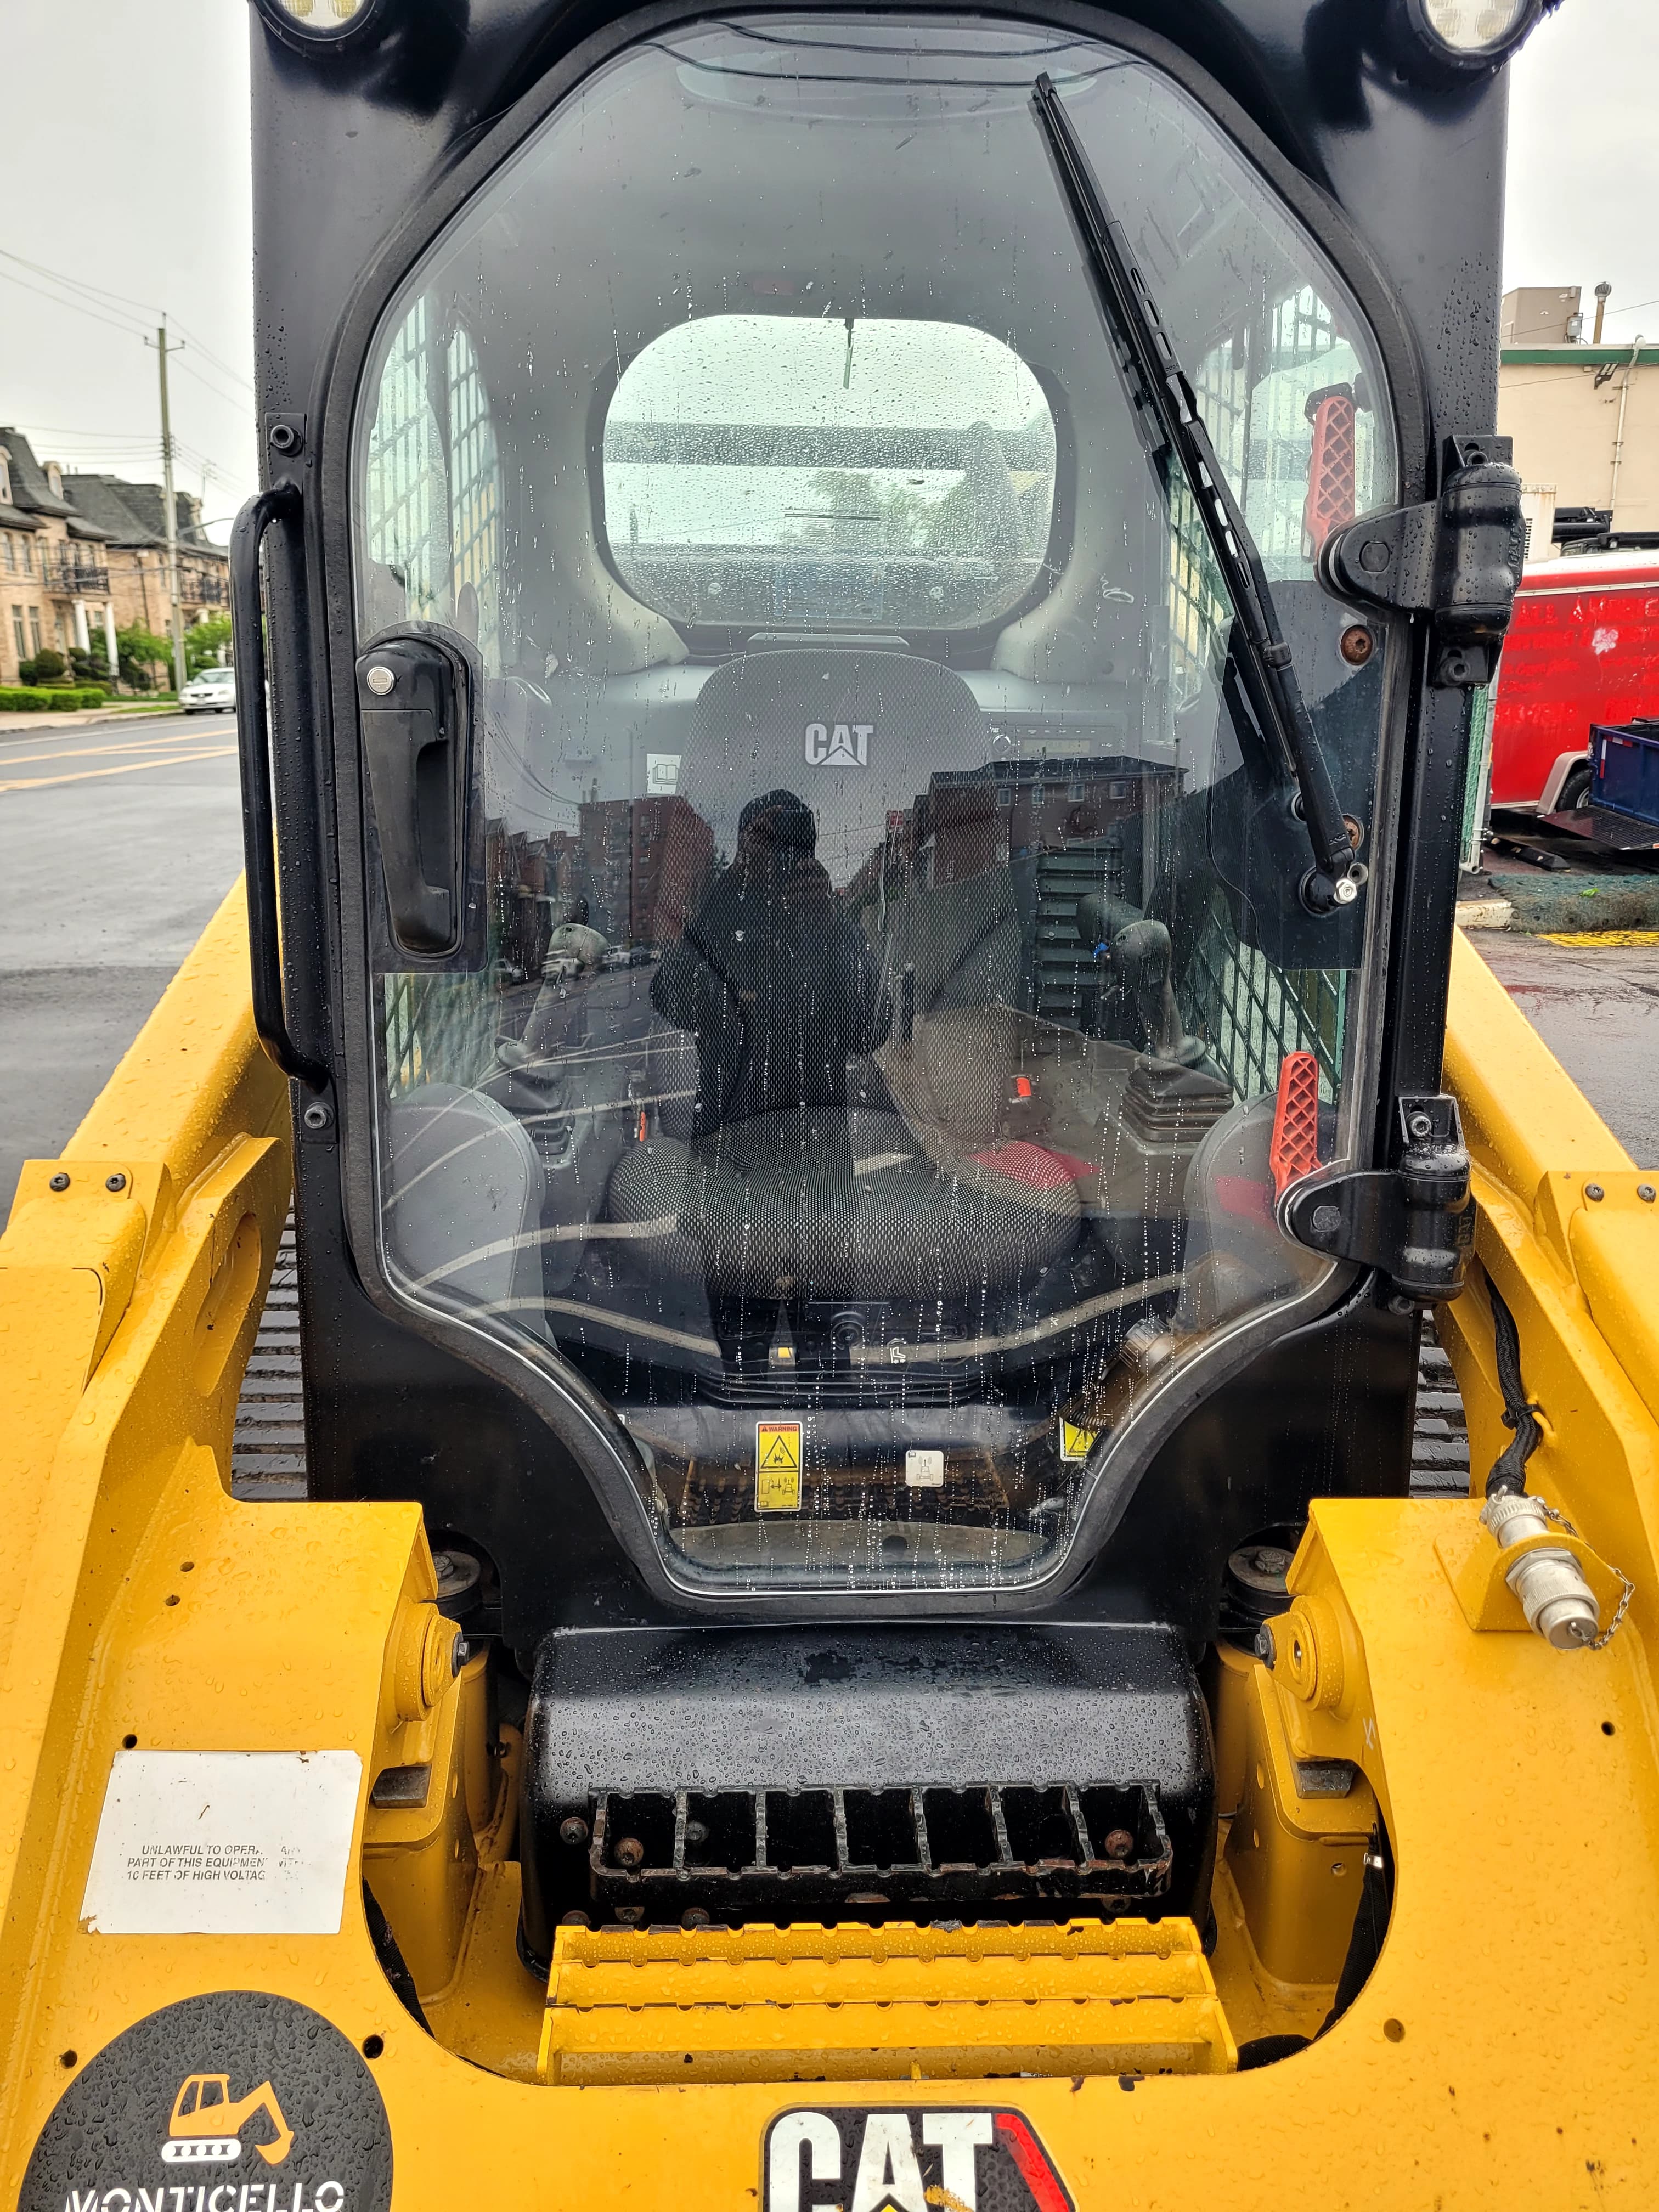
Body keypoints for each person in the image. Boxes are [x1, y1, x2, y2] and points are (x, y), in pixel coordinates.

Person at [651, 789, 890, 1366]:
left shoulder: (826, 921)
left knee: (827, 1355)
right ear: (742, 851)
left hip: (819, 1166)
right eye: (765, 846)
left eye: (792, 850)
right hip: (733, 1160)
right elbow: (670, 999)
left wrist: (832, 926)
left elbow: (869, 1029)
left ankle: (830, 1442)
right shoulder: (723, 911)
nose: (779, 862)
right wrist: (726, 892)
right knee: (739, 1348)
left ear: (809, 855)